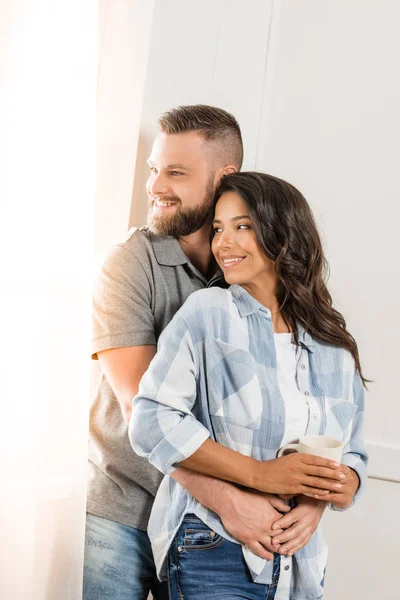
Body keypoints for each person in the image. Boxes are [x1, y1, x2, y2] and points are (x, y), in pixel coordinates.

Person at [85, 105, 342, 600]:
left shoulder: (249, 271)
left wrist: (314, 501)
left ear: (226, 176)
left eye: (176, 173)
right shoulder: (127, 264)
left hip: (210, 531)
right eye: (154, 170)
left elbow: (304, 406)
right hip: (123, 514)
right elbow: (144, 412)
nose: (157, 185)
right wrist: (231, 499)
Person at [129, 171, 368, 600]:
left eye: (243, 226)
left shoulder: (331, 340)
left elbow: (352, 453)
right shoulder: (208, 313)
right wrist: (259, 474)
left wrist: (334, 492)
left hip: (302, 560)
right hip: (214, 545)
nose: (223, 243)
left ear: (284, 233)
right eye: (218, 228)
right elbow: (151, 420)